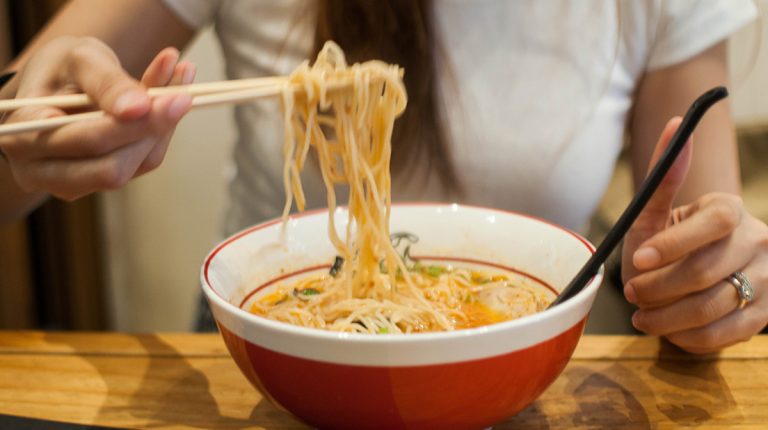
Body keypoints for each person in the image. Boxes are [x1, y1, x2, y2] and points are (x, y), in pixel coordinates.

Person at [0, 0, 765, 353]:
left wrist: (706, 281)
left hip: (527, 372)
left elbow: (691, 225)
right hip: (276, 358)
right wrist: (27, 139)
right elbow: (30, 118)